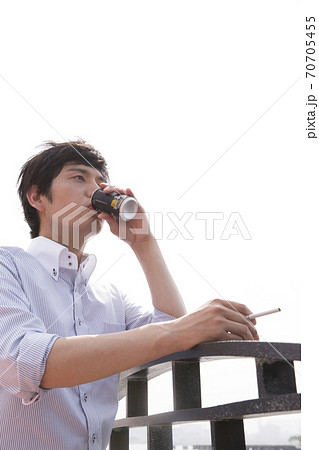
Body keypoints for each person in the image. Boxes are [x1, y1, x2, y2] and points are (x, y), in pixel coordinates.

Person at [0, 140, 258, 449]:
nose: (95, 191)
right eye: (79, 177)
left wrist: (144, 243)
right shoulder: (8, 266)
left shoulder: (110, 296)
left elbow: (172, 336)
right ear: (37, 197)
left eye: (100, 182)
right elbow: (24, 362)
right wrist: (181, 329)